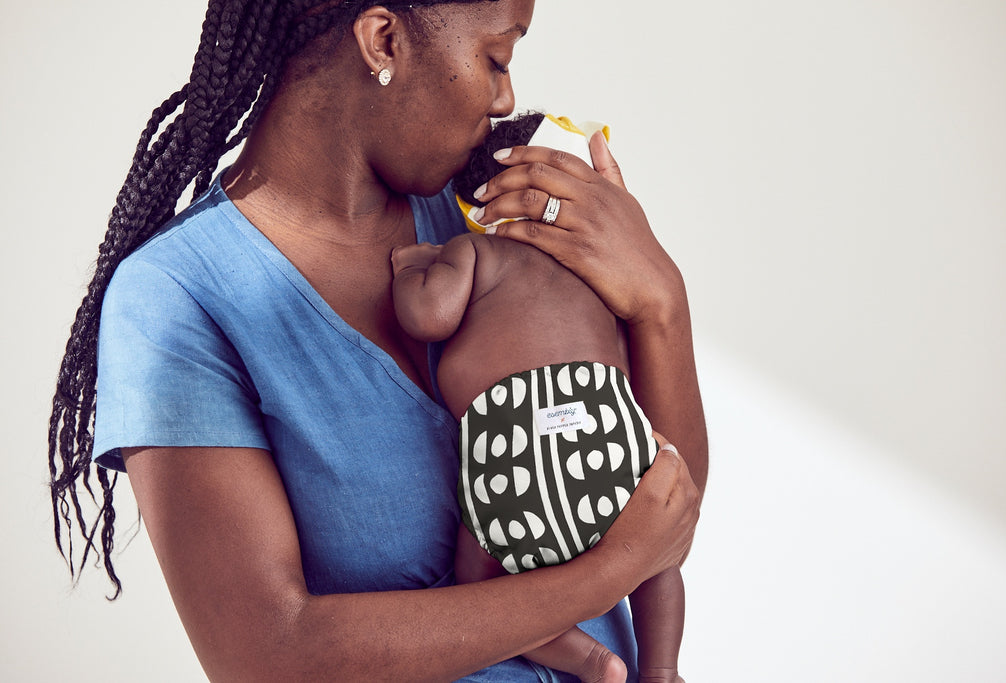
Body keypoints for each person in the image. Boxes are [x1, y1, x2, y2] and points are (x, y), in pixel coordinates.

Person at [47, 2, 707, 681]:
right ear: (383, 39)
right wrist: (610, 572)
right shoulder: (178, 296)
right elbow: (267, 654)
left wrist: (659, 300)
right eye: (497, 58)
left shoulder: (490, 211)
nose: (506, 95)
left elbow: (660, 499)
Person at [392, 112, 686, 683]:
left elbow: (428, 316)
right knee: (659, 558)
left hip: (511, 476)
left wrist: (415, 267)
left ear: (479, 208)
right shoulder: (602, 280)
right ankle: (662, 668)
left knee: (479, 586)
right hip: (611, 459)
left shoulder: (477, 254)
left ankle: (592, 660)